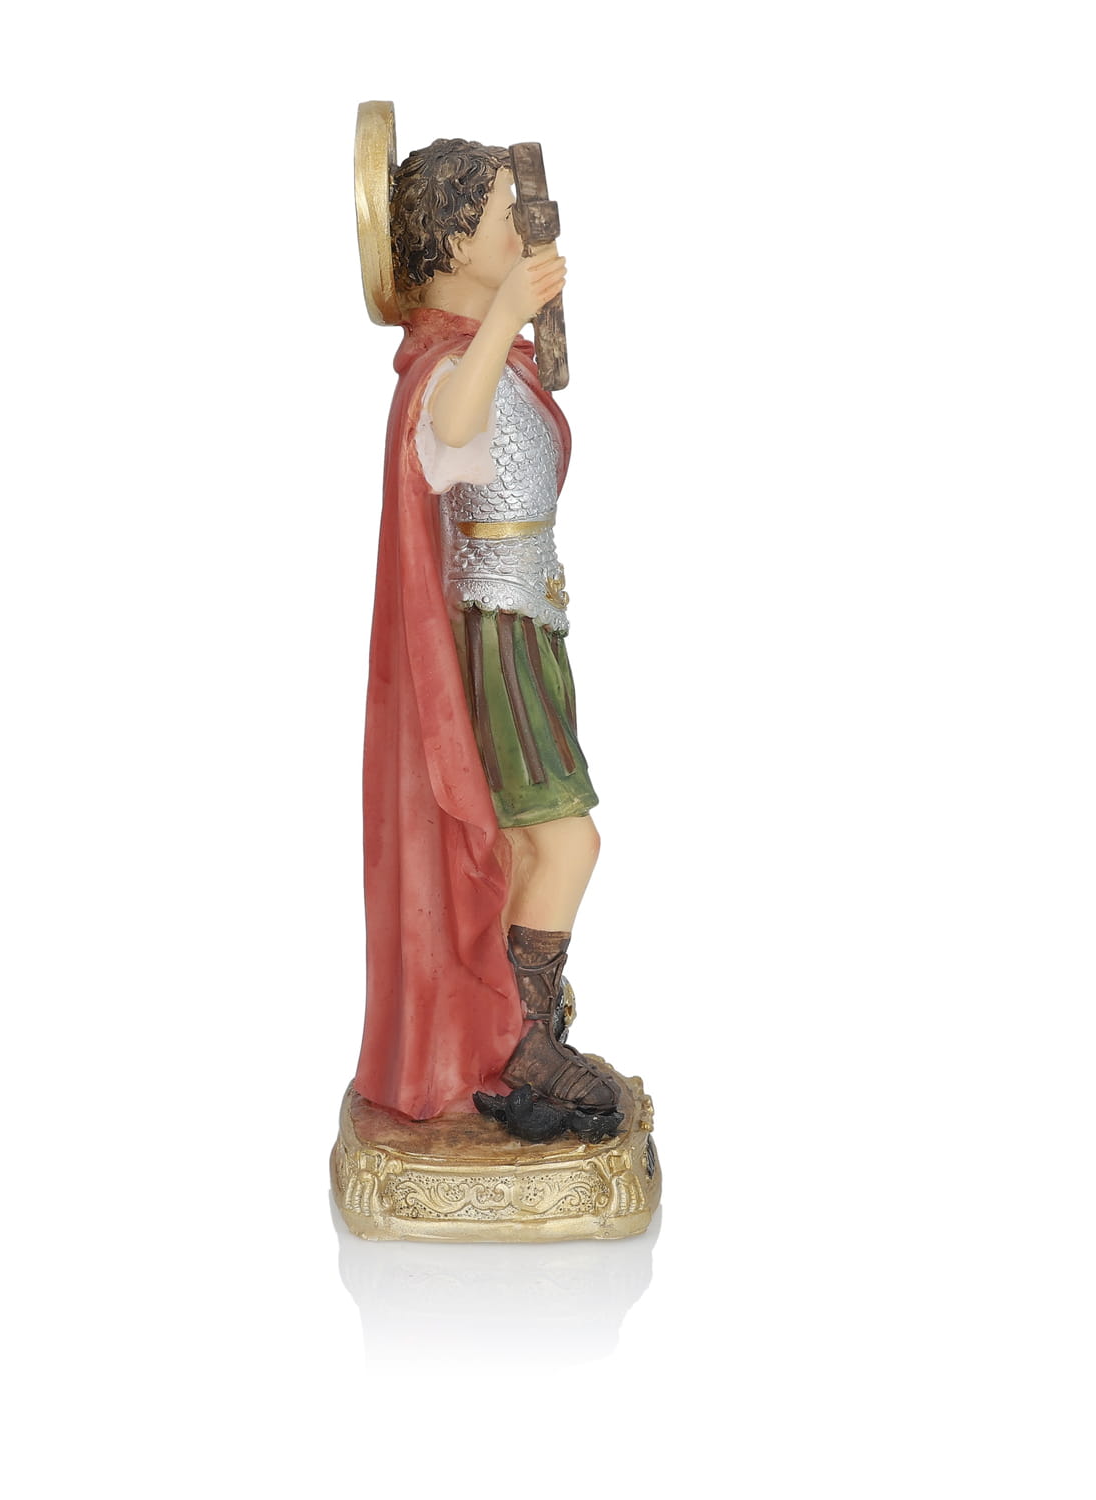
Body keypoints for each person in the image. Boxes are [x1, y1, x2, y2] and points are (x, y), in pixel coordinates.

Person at [355, 138, 623, 1143]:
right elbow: (447, 442)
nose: (528, 227)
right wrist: (508, 312)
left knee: (524, 846)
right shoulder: (446, 369)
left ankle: (515, 1040)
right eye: (509, 213)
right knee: (566, 838)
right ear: (459, 240)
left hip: (532, 621)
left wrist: (511, 323)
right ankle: (525, 1041)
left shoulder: (495, 360)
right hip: (496, 635)